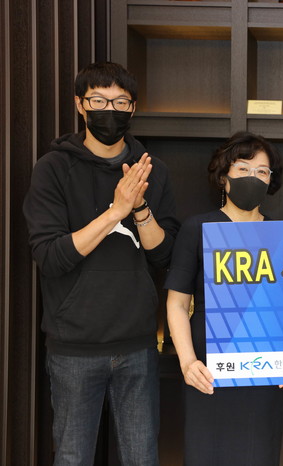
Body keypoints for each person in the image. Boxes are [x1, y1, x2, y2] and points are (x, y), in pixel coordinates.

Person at [23, 61, 179, 465]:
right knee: (73, 457)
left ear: (133, 108)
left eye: (120, 102)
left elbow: (163, 256)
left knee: (142, 456)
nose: (109, 110)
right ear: (80, 104)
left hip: (138, 343)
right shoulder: (53, 168)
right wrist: (116, 211)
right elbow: (50, 257)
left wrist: (139, 207)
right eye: (98, 100)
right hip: (74, 347)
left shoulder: (152, 170)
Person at [165, 131, 283, 465]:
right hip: (207, 368)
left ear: (270, 180)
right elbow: (177, 303)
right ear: (223, 177)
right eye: (243, 168)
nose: (252, 177)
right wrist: (187, 363)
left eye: (262, 171)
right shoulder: (197, 228)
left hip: (266, 371)